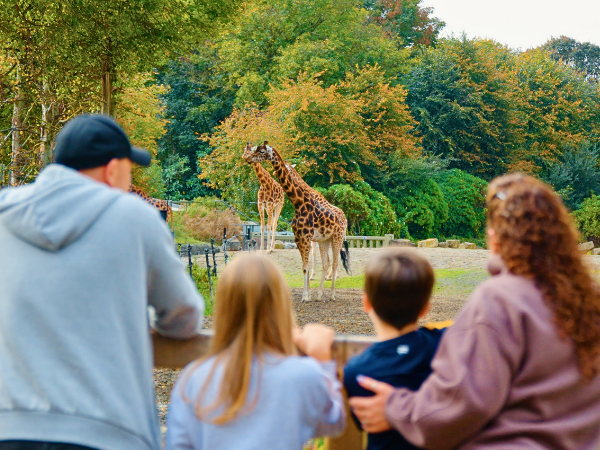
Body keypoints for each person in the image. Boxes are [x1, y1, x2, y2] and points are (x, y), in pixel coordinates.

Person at [349, 173, 600, 450]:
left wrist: (397, 408)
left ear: (494, 240)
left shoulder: (500, 300)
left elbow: (461, 405)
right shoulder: (590, 297)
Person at [0, 114, 204, 450]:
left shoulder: (5, 216)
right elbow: (184, 315)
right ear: (112, 170)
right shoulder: (136, 218)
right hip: (109, 432)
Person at [165, 253, 346, 450]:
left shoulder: (193, 378)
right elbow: (334, 422)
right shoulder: (302, 375)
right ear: (282, 307)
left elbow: (178, 444)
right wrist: (322, 360)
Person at [344, 248, 446, 450]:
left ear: (366, 303)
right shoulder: (442, 346)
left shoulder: (356, 371)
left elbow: (361, 423)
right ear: (426, 308)